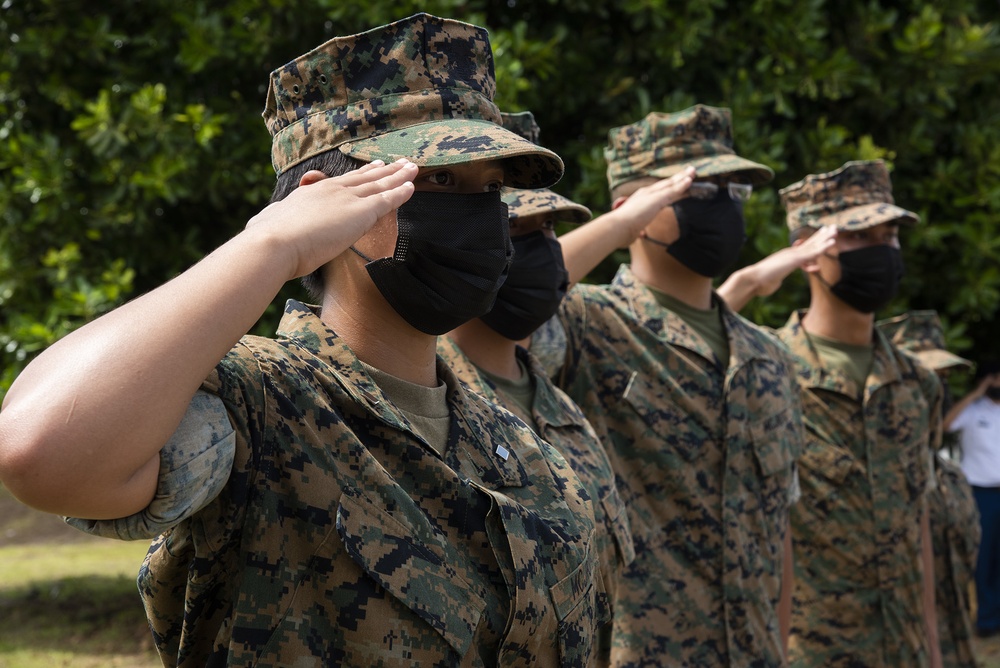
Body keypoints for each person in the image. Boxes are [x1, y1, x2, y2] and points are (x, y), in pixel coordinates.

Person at [0, 14, 618, 666]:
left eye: (490, 188)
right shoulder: (259, 406)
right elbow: (39, 450)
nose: (484, 216)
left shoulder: (516, 433)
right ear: (325, 202)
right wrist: (271, 244)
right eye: (438, 180)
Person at [536, 104, 806, 666]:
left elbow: (777, 533)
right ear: (631, 207)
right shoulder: (586, 323)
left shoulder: (770, 357)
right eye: (699, 190)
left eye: (735, 192)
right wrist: (615, 229)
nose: (725, 208)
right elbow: (496, 303)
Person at [439, 109, 692, 664]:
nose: (541, 253)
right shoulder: (427, 400)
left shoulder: (560, 408)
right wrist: (622, 226)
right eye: (514, 231)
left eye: (548, 230)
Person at [768, 160, 942, 667]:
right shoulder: (769, 375)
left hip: (904, 650)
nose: (884, 252)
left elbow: (919, 523)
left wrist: (932, 647)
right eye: (863, 237)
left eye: (890, 237)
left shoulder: (917, 383)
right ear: (809, 254)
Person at [877, 310, 980, 667]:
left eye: (943, 378)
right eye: (923, 378)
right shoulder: (875, 478)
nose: (937, 391)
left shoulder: (950, 478)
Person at [945, 358, 1000, 640]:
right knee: (983, 557)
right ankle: (987, 619)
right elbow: (945, 424)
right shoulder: (972, 410)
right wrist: (976, 394)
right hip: (981, 493)